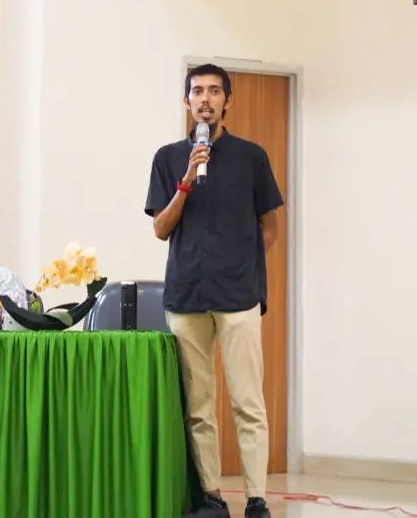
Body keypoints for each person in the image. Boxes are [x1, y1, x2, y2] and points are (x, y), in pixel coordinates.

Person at [145, 64, 283, 518]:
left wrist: (240, 265)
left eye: (214, 91)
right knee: (199, 405)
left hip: (239, 296)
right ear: (186, 101)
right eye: (197, 91)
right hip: (186, 295)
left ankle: (257, 498)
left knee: (248, 400)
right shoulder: (168, 158)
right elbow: (161, 229)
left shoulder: (252, 157)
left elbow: (269, 228)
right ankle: (211, 496)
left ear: (228, 101)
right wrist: (187, 178)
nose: (205, 99)